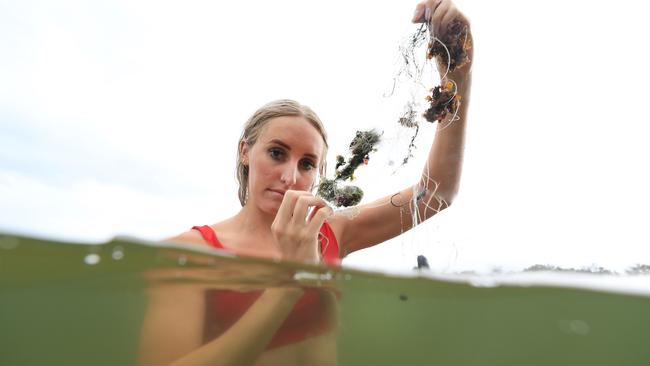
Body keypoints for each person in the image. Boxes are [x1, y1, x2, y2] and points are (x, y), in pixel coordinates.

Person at [139, 1, 472, 365]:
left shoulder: (331, 233)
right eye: (277, 153)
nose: (290, 177)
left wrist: (458, 74)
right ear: (246, 152)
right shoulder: (188, 252)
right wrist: (290, 281)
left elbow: (436, 192)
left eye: (307, 164)